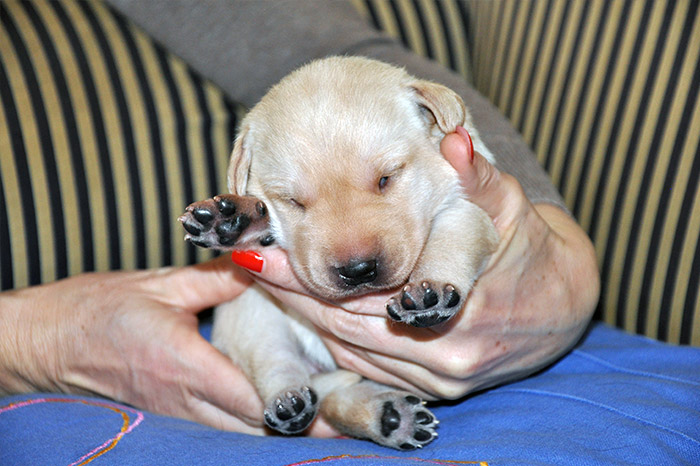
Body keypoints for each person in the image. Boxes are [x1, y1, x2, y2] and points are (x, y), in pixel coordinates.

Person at [0, 0, 598, 437]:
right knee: (250, 300)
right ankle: (305, 389)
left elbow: (355, 66)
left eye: (385, 181)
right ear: (244, 169)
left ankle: (337, 390)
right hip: (277, 346)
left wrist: (550, 235)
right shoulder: (267, 147)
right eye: (298, 199)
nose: (355, 251)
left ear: (434, 117)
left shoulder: (413, 117)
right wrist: (27, 339)